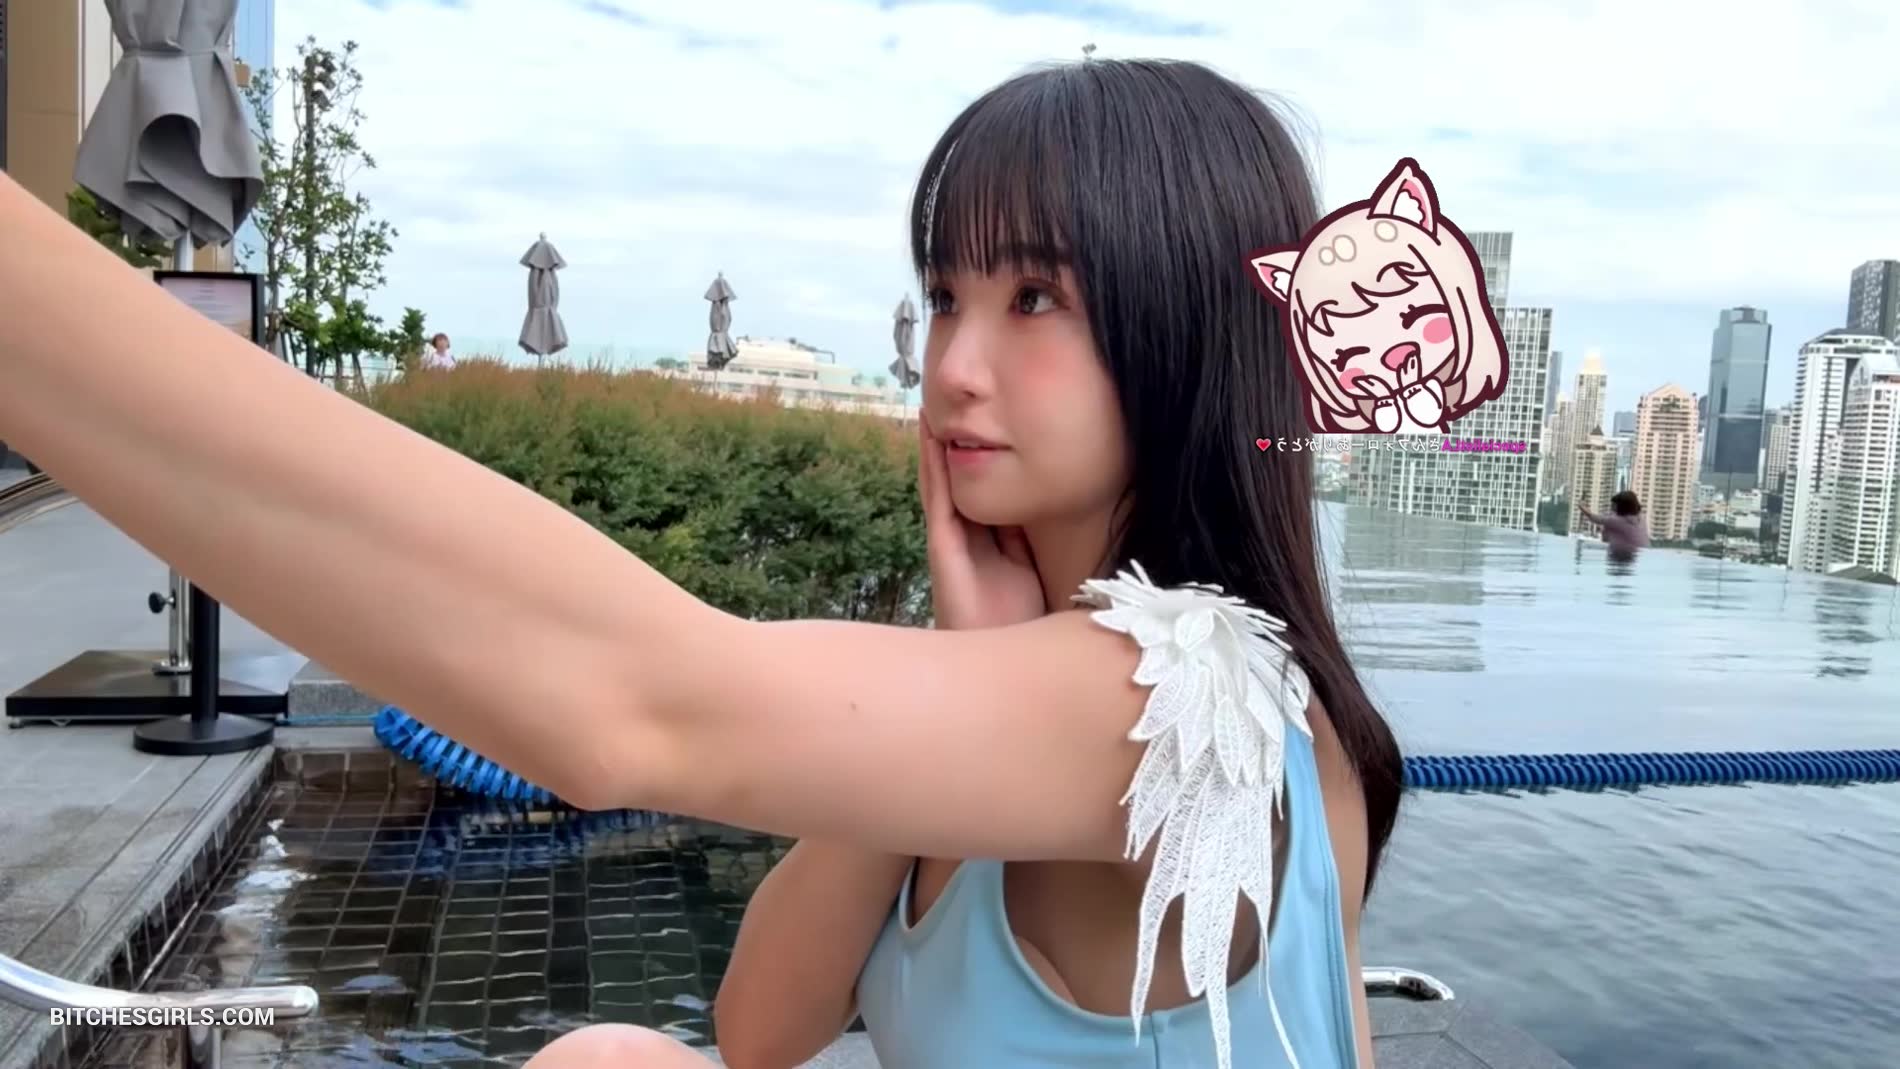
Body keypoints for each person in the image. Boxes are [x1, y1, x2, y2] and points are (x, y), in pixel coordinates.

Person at [0, 57, 1398, 1069]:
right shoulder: (1034, 699)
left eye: (1033, 296)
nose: (954, 366)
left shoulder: (1181, 707)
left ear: (1183, 323)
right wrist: (962, 667)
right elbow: (761, 1027)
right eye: (944, 296)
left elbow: (626, 703)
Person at [1579, 490, 1650, 560]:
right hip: (1642, 556)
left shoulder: (1617, 521)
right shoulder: (1641, 517)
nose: (1612, 507)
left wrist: (1582, 506)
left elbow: (1592, 517)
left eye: (1614, 505)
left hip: (1625, 556)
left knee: (1584, 546)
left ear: (1622, 506)